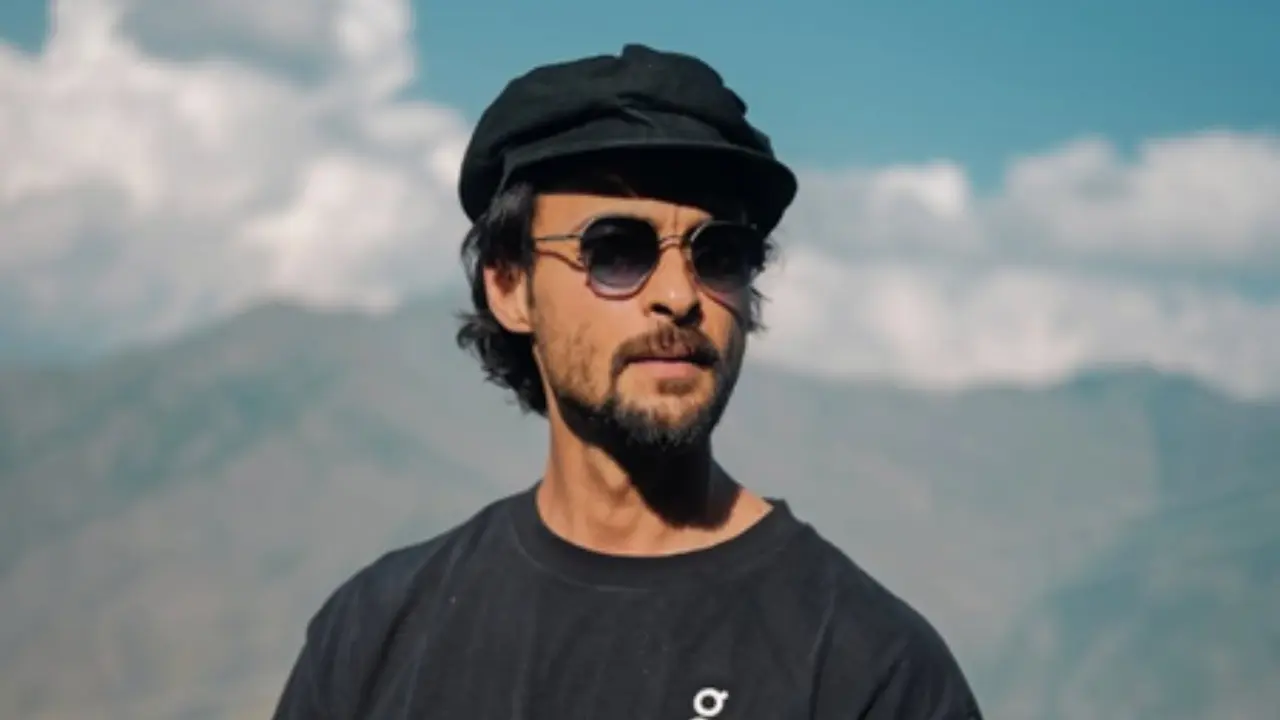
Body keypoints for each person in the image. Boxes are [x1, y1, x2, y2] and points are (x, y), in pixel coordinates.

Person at [272, 43, 983, 720]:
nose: (679, 296)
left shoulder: (870, 670)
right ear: (510, 287)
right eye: (616, 250)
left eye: (719, 254)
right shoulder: (374, 637)